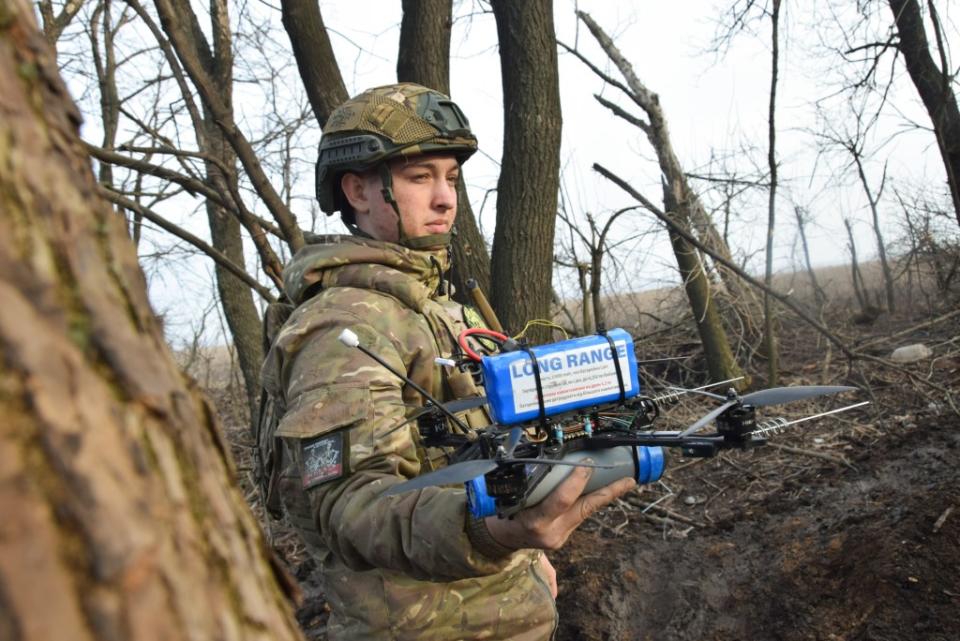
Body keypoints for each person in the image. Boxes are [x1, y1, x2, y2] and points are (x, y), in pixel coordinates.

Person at [258, 83, 636, 641]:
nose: (445, 199)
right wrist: (494, 533)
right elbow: (349, 508)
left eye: (451, 179)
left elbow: (481, 464)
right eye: (419, 178)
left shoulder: (440, 309)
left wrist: (524, 557)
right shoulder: (345, 328)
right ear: (358, 190)